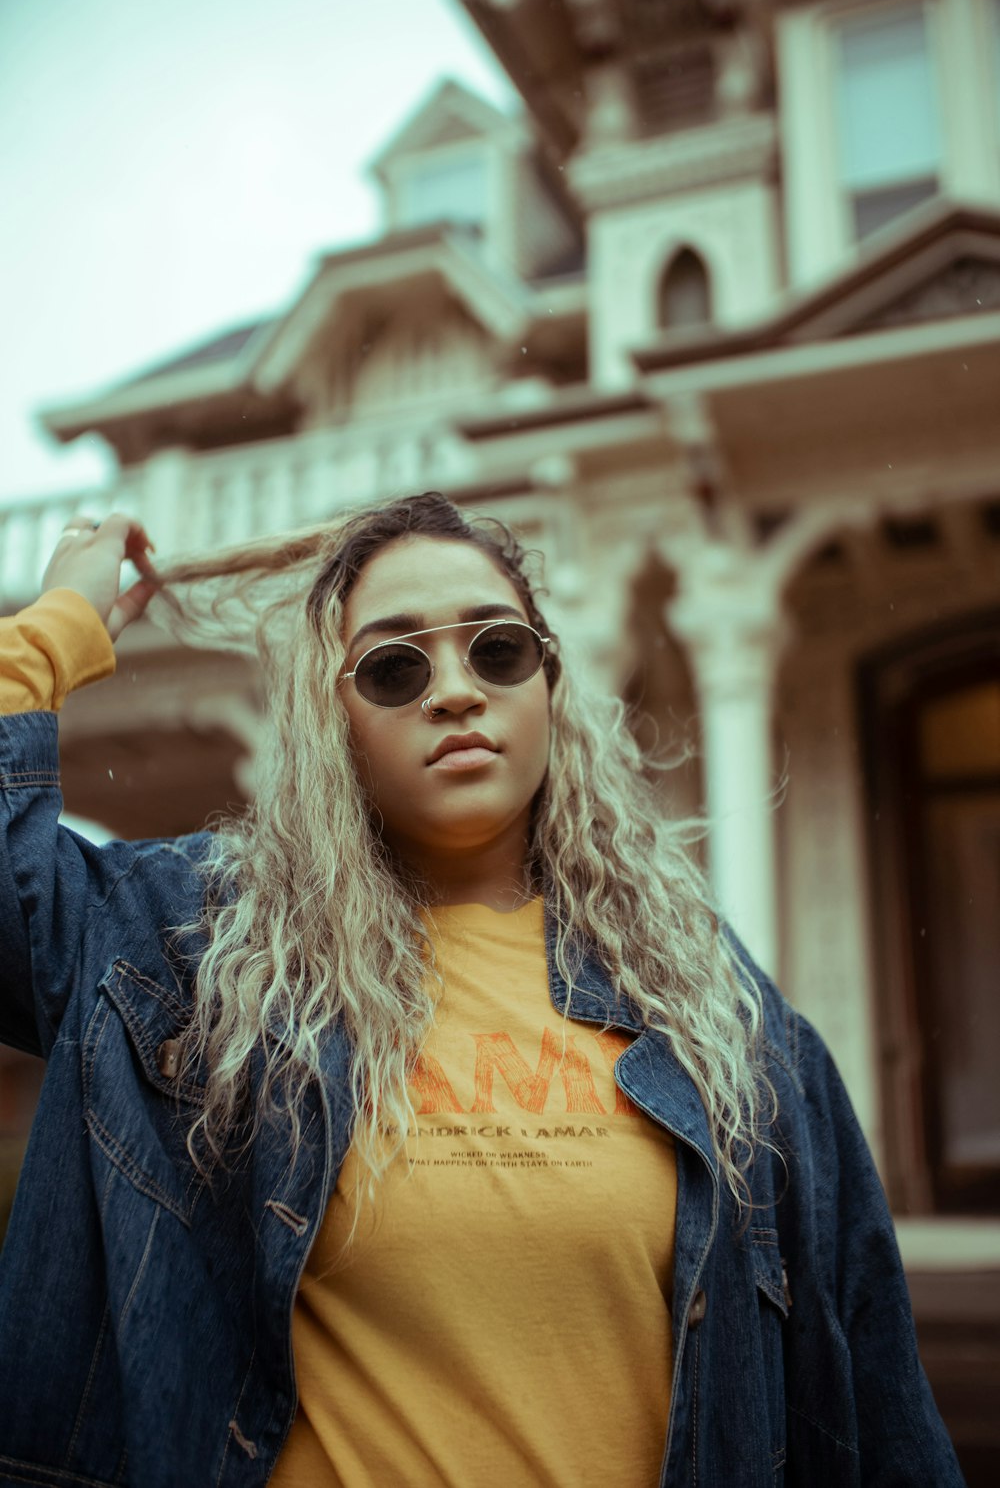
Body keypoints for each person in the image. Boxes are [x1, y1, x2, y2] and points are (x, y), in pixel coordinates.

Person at [0, 493, 963, 1488]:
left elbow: (870, 1383)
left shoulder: (709, 1006)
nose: (454, 690)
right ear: (334, 721)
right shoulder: (197, 953)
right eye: (393, 666)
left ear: (548, 685)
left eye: (497, 650)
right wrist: (56, 628)